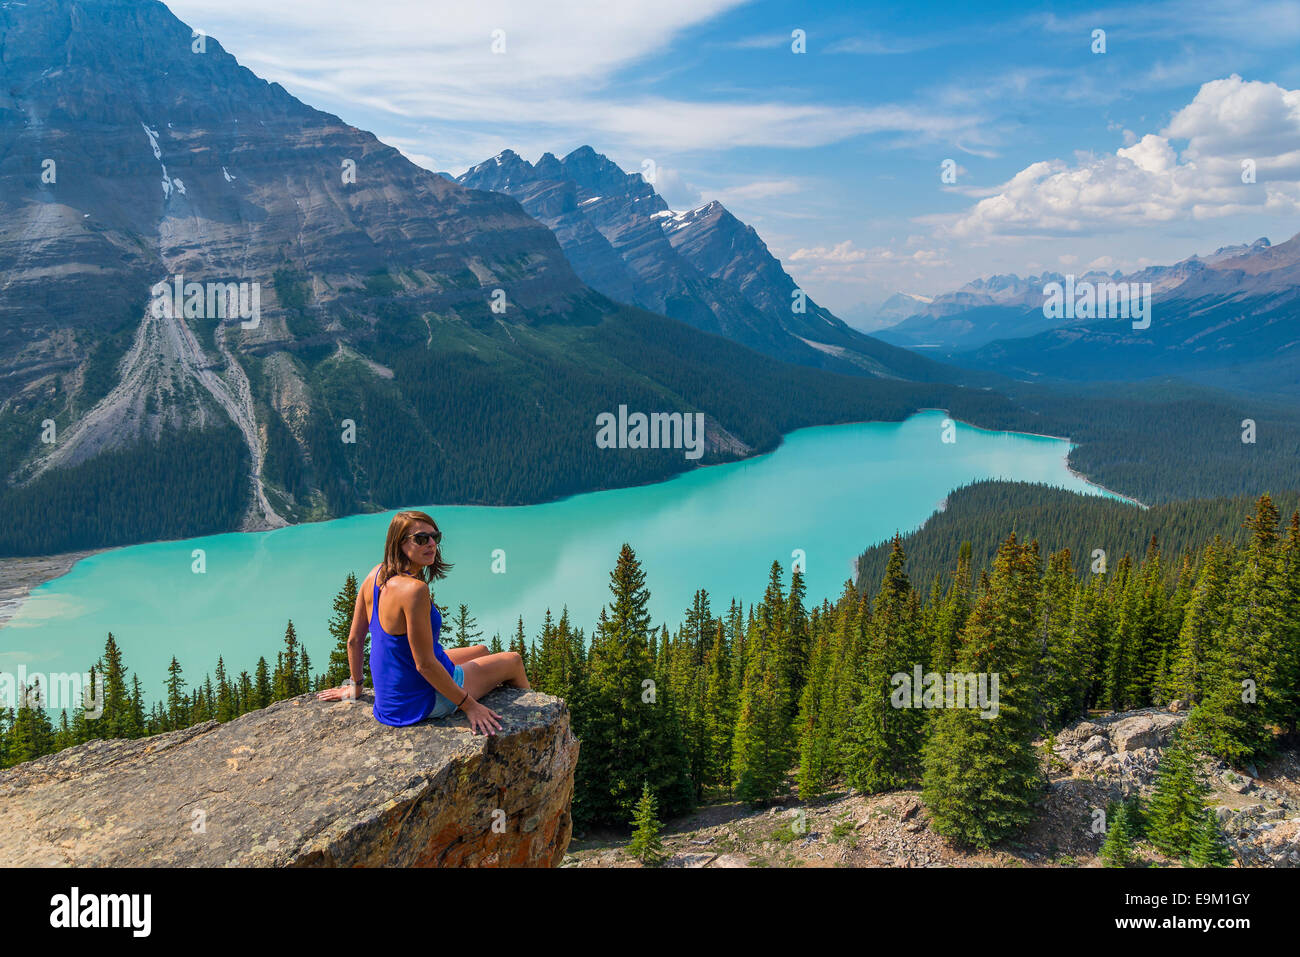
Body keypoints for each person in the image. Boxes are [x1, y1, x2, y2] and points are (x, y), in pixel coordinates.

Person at [316, 510, 529, 735]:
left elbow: (355, 640)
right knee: (513, 661)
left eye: (434, 537)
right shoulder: (414, 590)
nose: (431, 544)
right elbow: (425, 665)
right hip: (420, 700)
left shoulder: (375, 575)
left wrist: (356, 686)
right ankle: (532, 730)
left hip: (392, 699)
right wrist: (470, 706)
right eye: (420, 539)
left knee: (483, 650)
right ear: (399, 543)